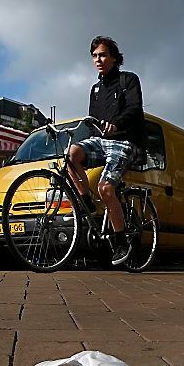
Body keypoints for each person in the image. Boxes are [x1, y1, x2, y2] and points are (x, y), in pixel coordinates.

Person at [65, 36, 145, 265]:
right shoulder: (96, 89)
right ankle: (86, 202)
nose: (98, 60)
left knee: (106, 187)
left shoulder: (128, 80)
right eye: (94, 56)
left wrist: (116, 124)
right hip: (101, 141)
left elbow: (134, 108)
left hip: (124, 141)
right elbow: (92, 122)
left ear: (114, 58)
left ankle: (121, 243)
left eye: (102, 55)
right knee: (71, 154)